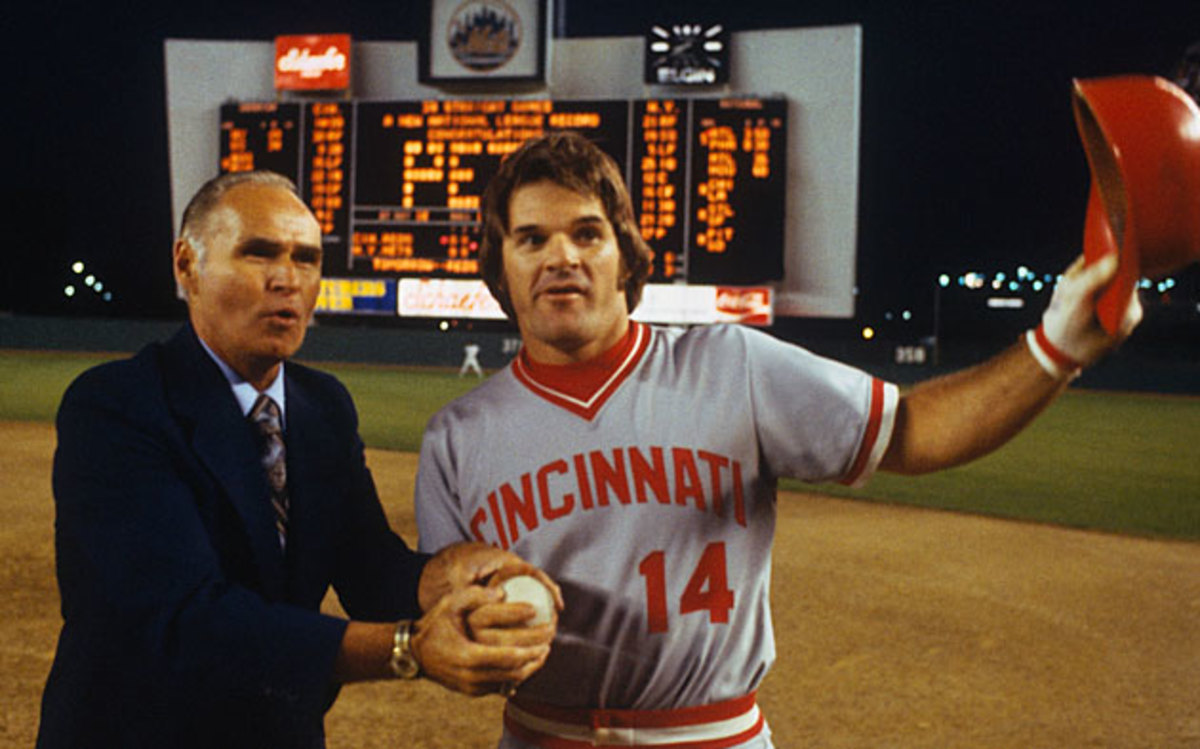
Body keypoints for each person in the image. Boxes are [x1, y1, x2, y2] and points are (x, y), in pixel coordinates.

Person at [413, 132, 1141, 748]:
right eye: (530, 238)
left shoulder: (733, 366)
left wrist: (1056, 347)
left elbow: (912, 431)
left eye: (587, 232)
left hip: (712, 736)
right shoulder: (456, 436)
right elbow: (441, 584)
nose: (560, 256)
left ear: (626, 255)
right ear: (499, 265)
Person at [37, 170, 559, 749]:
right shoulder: (118, 404)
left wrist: (459, 574)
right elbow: (186, 618)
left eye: (306, 259)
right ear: (187, 265)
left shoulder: (322, 406)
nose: (287, 279)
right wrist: (407, 649)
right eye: (259, 253)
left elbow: (370, 569)